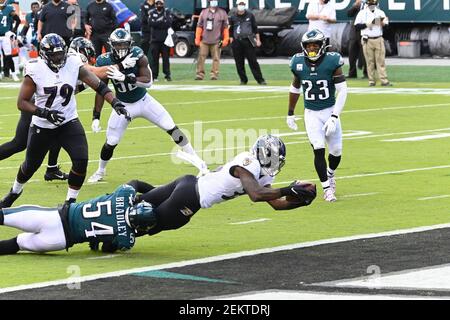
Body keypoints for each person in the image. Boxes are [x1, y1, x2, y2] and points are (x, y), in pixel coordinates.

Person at [0, 33, 131, 209]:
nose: (58, 57)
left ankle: (70, 204)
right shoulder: (35, 69)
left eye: (60, 53)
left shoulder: (72, 63)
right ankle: (14, 192)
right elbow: (21, 102)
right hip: (43, 124)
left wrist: (115, 102)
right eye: (53, 54)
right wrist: (45, 113)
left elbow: (98, 84)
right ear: (44, 54)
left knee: (81, 160)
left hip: (68, 121)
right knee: (30, 166)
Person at [122, 135, 316, 237]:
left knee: (141, 202)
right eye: (273, 158)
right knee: (147, 222)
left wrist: (300, 201)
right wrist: (288, 189)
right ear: (263, 153)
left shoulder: (262, 177)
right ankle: (110, 234)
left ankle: (107, 227)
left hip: (188, 183)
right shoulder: (249, 161)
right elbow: (255, 195)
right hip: (190, 197)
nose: (275, 164)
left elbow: (276, 204)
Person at [87, 28, 208, 183]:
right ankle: (100, 171)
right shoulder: (105, 61)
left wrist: (126, 78)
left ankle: (199, 162)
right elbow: (101, 90)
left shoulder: (137, 55)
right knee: (111, 142)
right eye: (118, 45)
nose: (121, 48)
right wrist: (96, 116)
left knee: (172, 128)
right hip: (123, 105)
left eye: (124, 45)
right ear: (112, 45)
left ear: (130, 44)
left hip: (144, 101)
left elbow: (148, 81)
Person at [0, 184, 156, 255]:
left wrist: (156, 192)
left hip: (55, 217)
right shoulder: (126, 239)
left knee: (3, 216)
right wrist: (100, 239)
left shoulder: (124, 194)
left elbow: (135, 183)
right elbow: (106, 248)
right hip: (59, 240)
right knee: (17, 244)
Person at [286, 29, 348, 202]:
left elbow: (342, 91)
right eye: (309, 45)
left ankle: (331, 174)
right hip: (311, 113)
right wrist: (290, 113)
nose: (312, 48)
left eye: (315, 45)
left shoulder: (332, 61)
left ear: (322, 46)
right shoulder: (298, 62)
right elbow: (295, 88)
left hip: (329, 110)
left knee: (336, 151)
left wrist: (334, 116)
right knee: (318, 149)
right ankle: (327, 188)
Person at [354, 0, 392, 86]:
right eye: (371, 4)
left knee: (380, 61)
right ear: (367, 4)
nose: (372, 6)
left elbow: (386, 26)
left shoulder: (381, 12)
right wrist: (369, 24)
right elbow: (356, 26)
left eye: (374, 4)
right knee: (369, 61)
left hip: (378, 38)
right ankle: (371, 80)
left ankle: (384, 80)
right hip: (367, 39)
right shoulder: (362, 13)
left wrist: (382, 23)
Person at [229, 0, 266, 85]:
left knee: (253, 61)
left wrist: (258, 40)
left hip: (248, 40)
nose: (241, 6)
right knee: (239, 62)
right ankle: (243, 79)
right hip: (237, 41)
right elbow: (230, 30)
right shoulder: (233, 17)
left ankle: (260, 79)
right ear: (237, 5)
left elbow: (255, 28)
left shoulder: (250, 15)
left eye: (243, 4)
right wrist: (231, 39)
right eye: (240, 4)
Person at [194, 0, 229, 81]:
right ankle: (200, 74)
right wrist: (197, 38)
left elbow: (225, 27)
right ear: (209, 2)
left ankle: (214, 75)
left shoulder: (223, 13)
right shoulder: (203, 12)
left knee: (216, 58)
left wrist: (226, 39)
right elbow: (199, 26)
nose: (214, 2)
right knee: (201, 57)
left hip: (217, 41)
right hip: (204, 40)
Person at [148, 0, 172, 81]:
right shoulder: (152, 12)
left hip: (165, 40)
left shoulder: (166, 12)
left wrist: (157, 22)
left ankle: (167, 75)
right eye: (157, 3)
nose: (159, 5)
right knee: (154, 59)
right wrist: (161, 21)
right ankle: (154, 76)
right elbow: (151, 23)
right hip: (155, 40)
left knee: (166, 59)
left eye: (160, 3)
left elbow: (168, 23)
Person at [0, 0, 20, 81]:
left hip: (5, 36)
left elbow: (17, 20)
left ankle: (14, 73)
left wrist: (13, 30)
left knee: (8, 56)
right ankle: (1, 74)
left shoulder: (9, 8)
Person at [347, 0, 367, 79]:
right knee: (352, 53)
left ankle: (366, 73)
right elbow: (349, 14)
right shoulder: (357, 4)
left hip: (365, 31)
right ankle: (352, 72)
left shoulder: (370, 3)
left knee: (365, 54)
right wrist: (355, 5)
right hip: (354, 32)